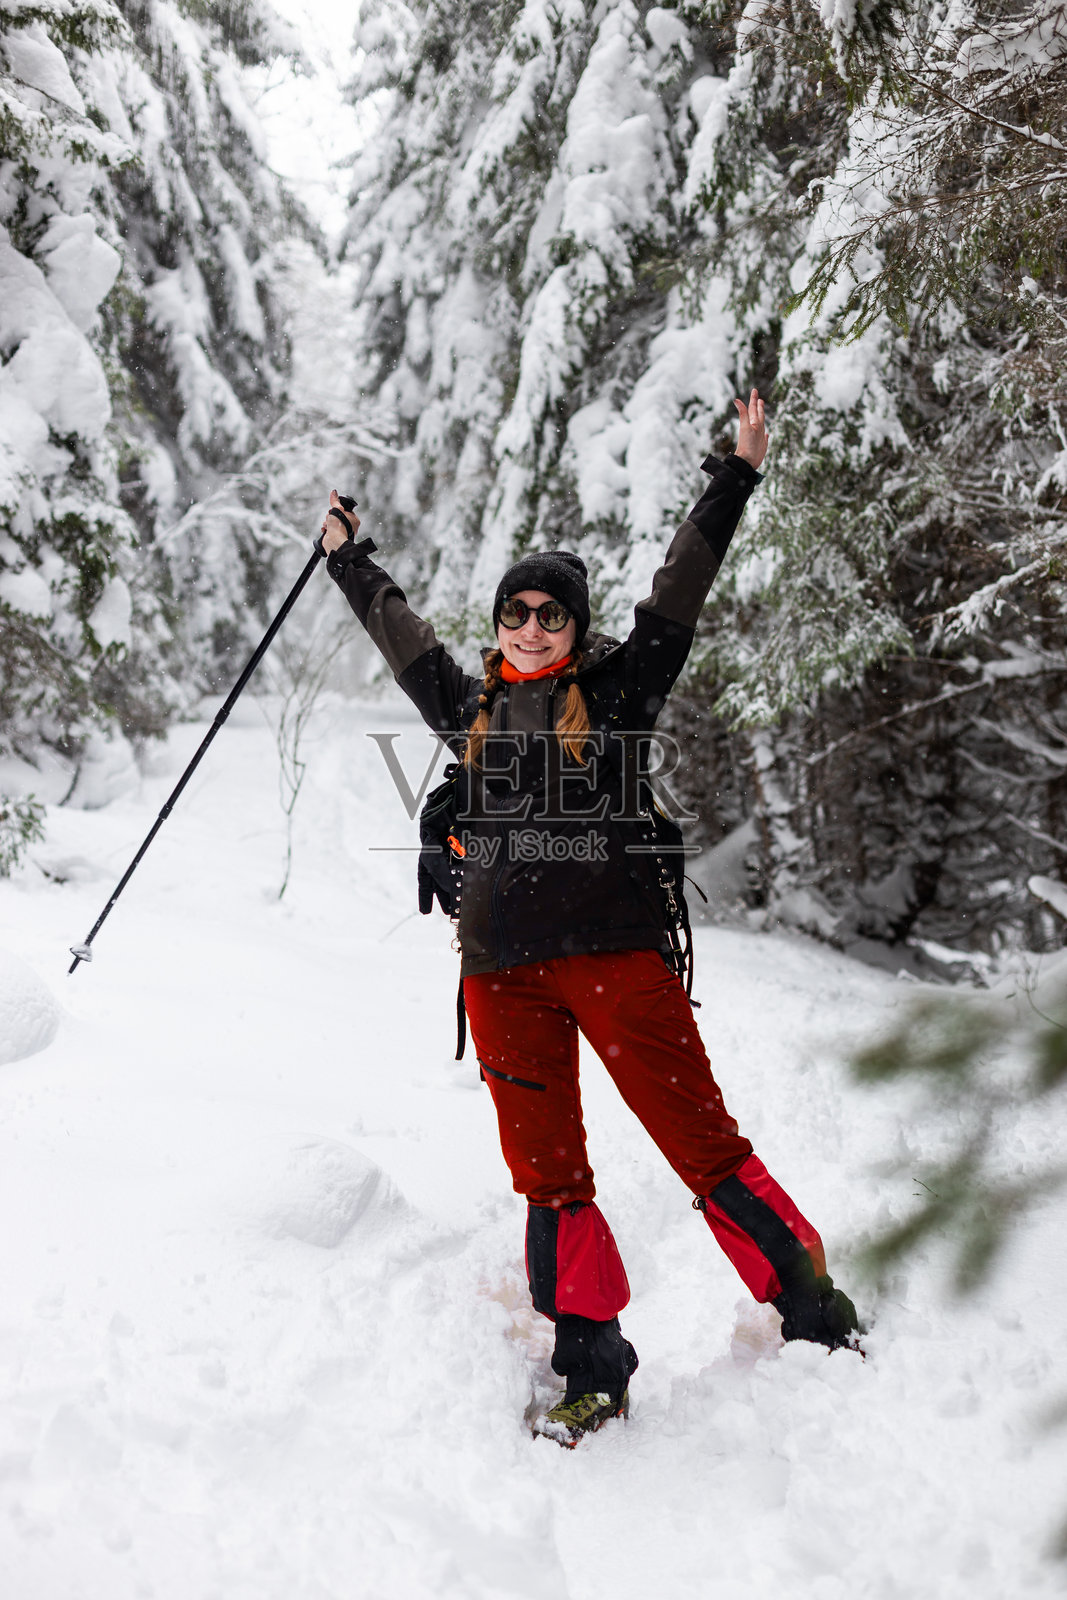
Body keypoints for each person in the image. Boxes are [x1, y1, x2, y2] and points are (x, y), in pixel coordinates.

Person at [319, 389, 859, 1447]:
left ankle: (812, 1312)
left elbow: (676, 594)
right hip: (501, 975)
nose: (529, 627)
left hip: (618, 964)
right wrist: (347, 556)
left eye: (549, 612)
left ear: (573, 623)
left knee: (701, 1147)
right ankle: (590, 1364)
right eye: (514, 612)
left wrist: (734, 475)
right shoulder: (465, 704)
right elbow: (396, 629)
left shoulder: (618, 692)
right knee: (548, 1177)